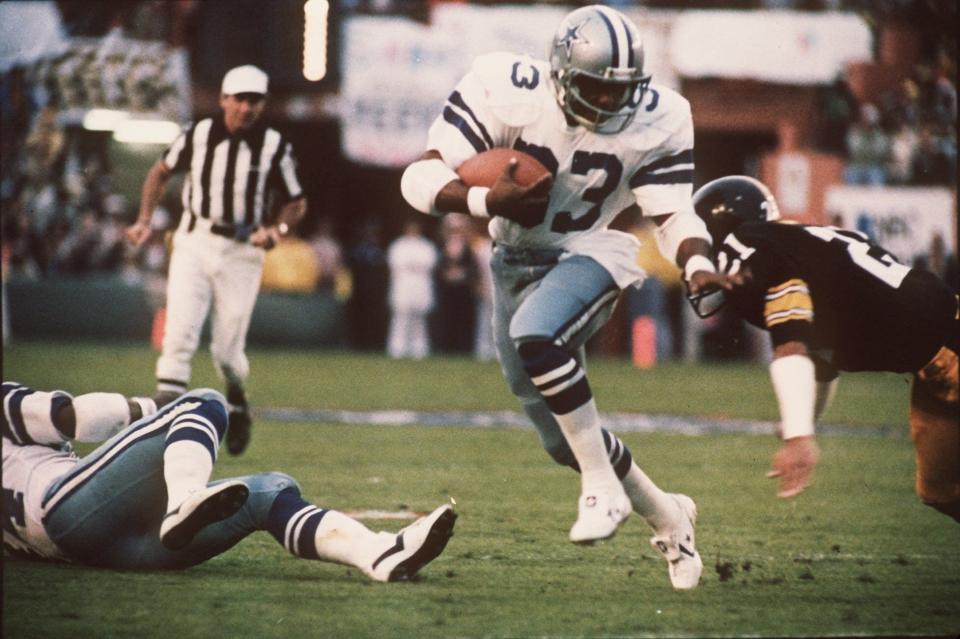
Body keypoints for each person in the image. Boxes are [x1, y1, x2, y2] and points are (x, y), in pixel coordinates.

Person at [400, 4, 735, 589]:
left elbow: (672, 212)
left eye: (620, 91)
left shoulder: (662, 116)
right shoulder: (503, 87)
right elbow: (418, 178)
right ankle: (669, 515)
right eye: (594, 89)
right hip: (511, 261)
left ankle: (603, 490)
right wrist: (487, 202)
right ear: (560, 73)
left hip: (591, 251)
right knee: (565, 443)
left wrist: (699, 261)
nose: (608, 104)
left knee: (537, 334)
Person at [687, 175, 959, 521]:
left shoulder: (744, 245)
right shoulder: (793, 245)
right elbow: (822, 363)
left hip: (948, 342)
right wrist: (803, 421)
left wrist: (799, 438)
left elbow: (791, 340)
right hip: (933, 359)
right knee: (941, 491)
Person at [1, 381, 457, 578]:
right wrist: (147, 408)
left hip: (90, 552)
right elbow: (77, 418)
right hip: (63, 509)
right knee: (202, 403)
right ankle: (184, 500)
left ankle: (375, 553)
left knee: (265, 492)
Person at [125, 65, 307, 456]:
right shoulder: (199, 135)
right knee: (178, 334)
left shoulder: (274, 145)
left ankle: (237, 398)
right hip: (195, 239)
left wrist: (278, 231)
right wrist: (143, 219)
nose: (246, 108)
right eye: (239, 99)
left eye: (254, 100)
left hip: (243, 250)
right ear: (224, 99)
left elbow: (296, 201)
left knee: (226, 351)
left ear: (264, 104)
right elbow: (159, 173)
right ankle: (163, 428)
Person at [386, 217, 438, 359]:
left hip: (420, 285)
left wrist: (414, 265)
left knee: (419, 319)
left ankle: (419, 349)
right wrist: (412, 265)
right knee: (401, 317)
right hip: (403, 285)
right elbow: (395, 264)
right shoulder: (398, 245)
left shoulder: (426, 245)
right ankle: (397, 348)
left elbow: (430, 263)